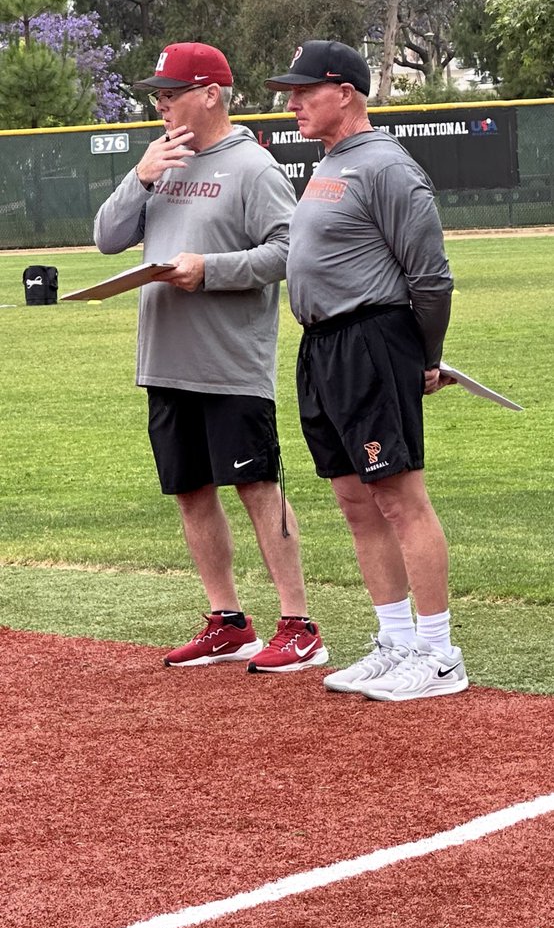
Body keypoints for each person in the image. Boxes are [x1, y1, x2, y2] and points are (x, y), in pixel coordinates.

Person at [94, 41, 327, 674]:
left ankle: (299, 624)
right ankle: (228, 620)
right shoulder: (160, 162)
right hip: (164, 359)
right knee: (191, 491)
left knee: (257, 487)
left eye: (171, 93)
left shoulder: (254, 167)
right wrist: (140, 176)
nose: (161, 104)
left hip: (231, 362)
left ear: (211, 95)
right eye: (157, 95)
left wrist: (211, 271)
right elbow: (107, 239)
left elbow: (288, 252)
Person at [265, 39, 468, 702]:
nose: (291, 101)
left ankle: (438, 655)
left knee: (399, 499)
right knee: (356, 501)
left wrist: (425, 357)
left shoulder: (385, 166)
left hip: (372, 342)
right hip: (323, 347)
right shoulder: (330, 164)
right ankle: (394, 640)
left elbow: (431, 279)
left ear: (344, 92)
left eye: (304, 91)